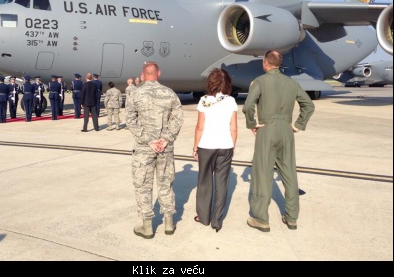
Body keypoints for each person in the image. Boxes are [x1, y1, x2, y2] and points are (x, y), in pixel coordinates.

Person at [243, 50, 315, 232]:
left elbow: (248, 106)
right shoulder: (292, 83)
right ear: (279, 63)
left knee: (262, 174)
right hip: (286, 129)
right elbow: (309, 105)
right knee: (289, 173)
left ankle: (261, 218)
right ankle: (291, 217)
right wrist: (299, 124)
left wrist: (252, 123)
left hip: (267, 129)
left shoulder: (260, 81)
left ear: (265, 62)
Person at [126, 61, 184, 239]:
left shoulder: (135, 93)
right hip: (165, 149)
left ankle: (147, 226)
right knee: (166, 185)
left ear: (143, 75)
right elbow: (178, 118)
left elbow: (130, 120)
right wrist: (165, 139)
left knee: (143, 186)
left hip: (145, 148)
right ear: (158, 73)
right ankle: (169, 223)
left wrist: (149, 140)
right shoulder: (169, 93)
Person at [192, 68, 238, 232]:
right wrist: (232, 145)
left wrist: (195, 146)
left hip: (206, 145)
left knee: (204, 181)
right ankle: (217, 221)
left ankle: (203, 217)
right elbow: (234, 127)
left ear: (210, 83)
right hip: (225, 145)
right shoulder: (231, 101)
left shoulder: (204, 101)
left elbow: (200, 126)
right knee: (222, 183)